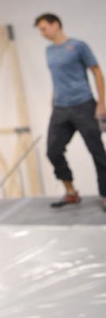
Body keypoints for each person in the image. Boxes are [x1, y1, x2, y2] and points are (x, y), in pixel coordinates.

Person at [34, 13, 106, 210]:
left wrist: (102, 103)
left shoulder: (78, 46)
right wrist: (53, 100)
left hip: (84, 104)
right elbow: (57, 79)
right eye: (40, 30)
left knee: (97, 151)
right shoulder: (49, 51)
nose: (42, 33)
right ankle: (71, 191)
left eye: (44, 28)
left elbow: (97, 72)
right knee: (53, 151)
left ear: (55, 25)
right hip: (60, 108)